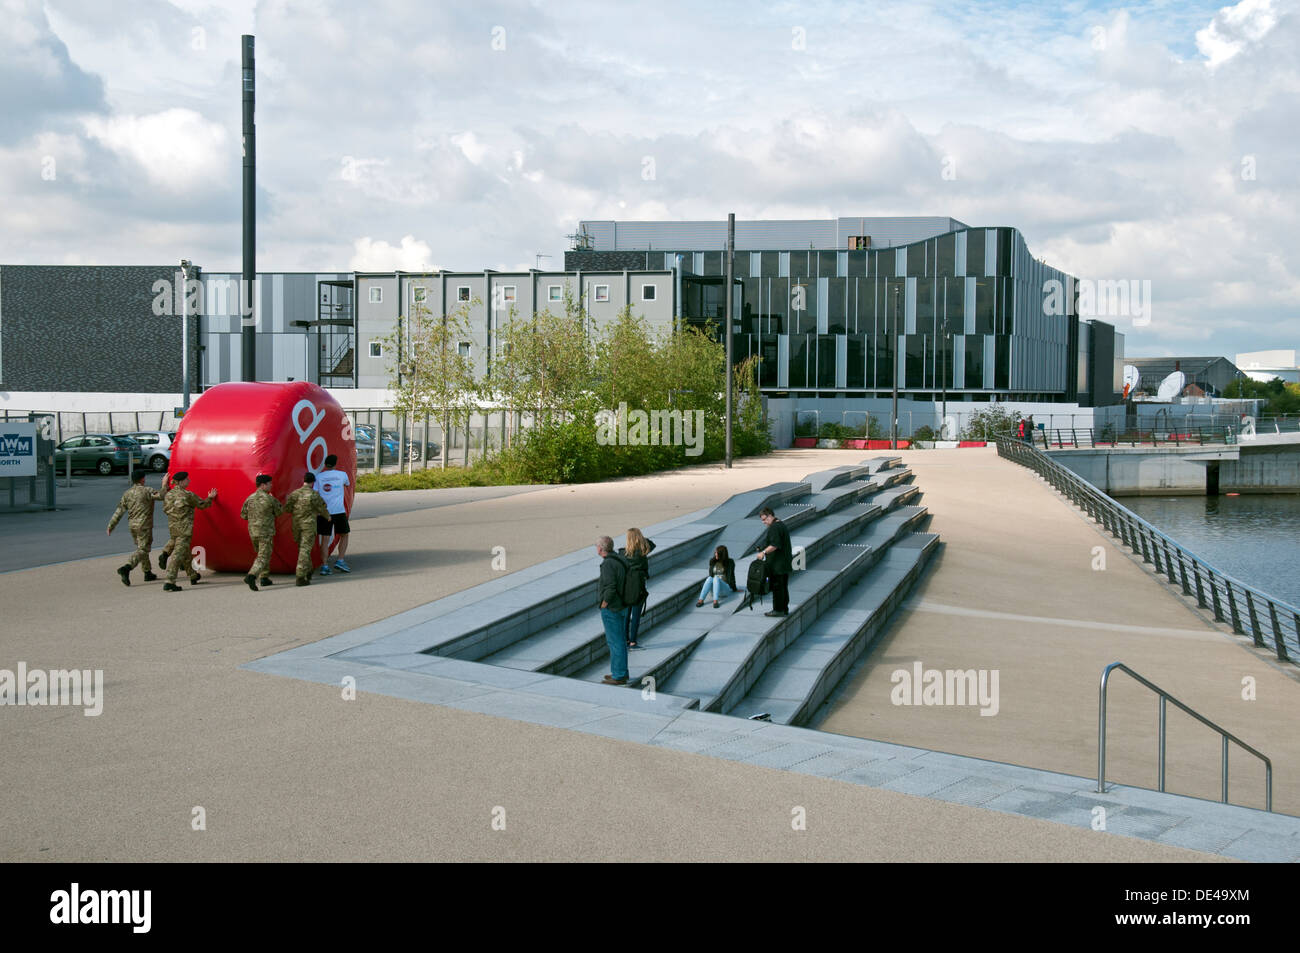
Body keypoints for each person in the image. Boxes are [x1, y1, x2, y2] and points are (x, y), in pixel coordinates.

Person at [161, 471, 217, 593]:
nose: (189, 481)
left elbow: (165, 510)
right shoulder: (187, 495)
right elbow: (202, 505)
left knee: (185, 553)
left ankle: (193, 575)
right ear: (181, 482)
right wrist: (211, 498)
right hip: (184, 530)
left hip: (173, 529)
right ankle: (169, 581)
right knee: (178, 555)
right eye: (187, 479)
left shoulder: (169, 495)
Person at [107, 470, 164, 586]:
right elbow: (161, 496)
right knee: (143, 549)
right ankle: (127, 567)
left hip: (132, 525)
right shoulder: (147, 491)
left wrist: (111, 526)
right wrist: (164, 484)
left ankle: (147, 572)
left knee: (140, 547)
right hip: (144, 525)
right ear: (143, 479)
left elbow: (119, 511)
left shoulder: (127, 493)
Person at [283, 472, 331, 586]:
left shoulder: (294, 494)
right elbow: (322, 508)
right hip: (308, 526)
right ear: (313, 482)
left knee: (303, 548)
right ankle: (300, 576)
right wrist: (328, 517)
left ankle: (309, 570)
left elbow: (287, 509)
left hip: (296, 526)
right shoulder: (314, 495)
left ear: (303, 481)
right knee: (305, 550)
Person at [595, 536, 631, 685]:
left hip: (613, 607)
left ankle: (619, 675)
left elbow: (610, 587)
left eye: (596, 546)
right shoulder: (620, 558)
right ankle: (620, 672)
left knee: (615, 642)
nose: (596, 548)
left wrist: (604, 603)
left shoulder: (608, 564)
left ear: (601, 549)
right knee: (620, 641)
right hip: (623, 605)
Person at [239, 474, 283, 592]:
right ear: (263, 485)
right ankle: (252, 575)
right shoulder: (270, 499)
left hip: (253, 532)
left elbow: (243, 515)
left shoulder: (250, 498)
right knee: (263, 556)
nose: (271, 485)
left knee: (261, 554)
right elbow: (279, 512)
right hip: (266, 532)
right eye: (270, 483)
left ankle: (265, 577)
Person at [313, 454, 352, 575]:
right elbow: (347, 484)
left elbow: (315, 492)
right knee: (344, 535)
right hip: (338, 511)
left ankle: (324, 565)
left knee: (324, 539)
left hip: (324, 512)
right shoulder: (342, 475)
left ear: (325, 464)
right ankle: (340, 560)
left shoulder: (319, 476)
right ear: (336, 464)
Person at [619, 528, 655, 648]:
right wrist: (640, 539)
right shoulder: (642, 551)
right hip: (639, 585)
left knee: (626, 615)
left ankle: (625, 639)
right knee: (636, 615)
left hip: (626, 586)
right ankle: (633, 640)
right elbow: (652, 544)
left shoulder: (622, 554)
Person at [755, 506, 791, 617]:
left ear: (770, 515)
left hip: (777, 564)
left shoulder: (774, 527)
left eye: (765, 519)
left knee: (777, 587)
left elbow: (775, 545)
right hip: (784, 563)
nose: (764, 522)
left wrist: (763, 553)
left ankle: (778, 610)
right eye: (762, 520)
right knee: (783, 587)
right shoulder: (781, 525)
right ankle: (784, 608)